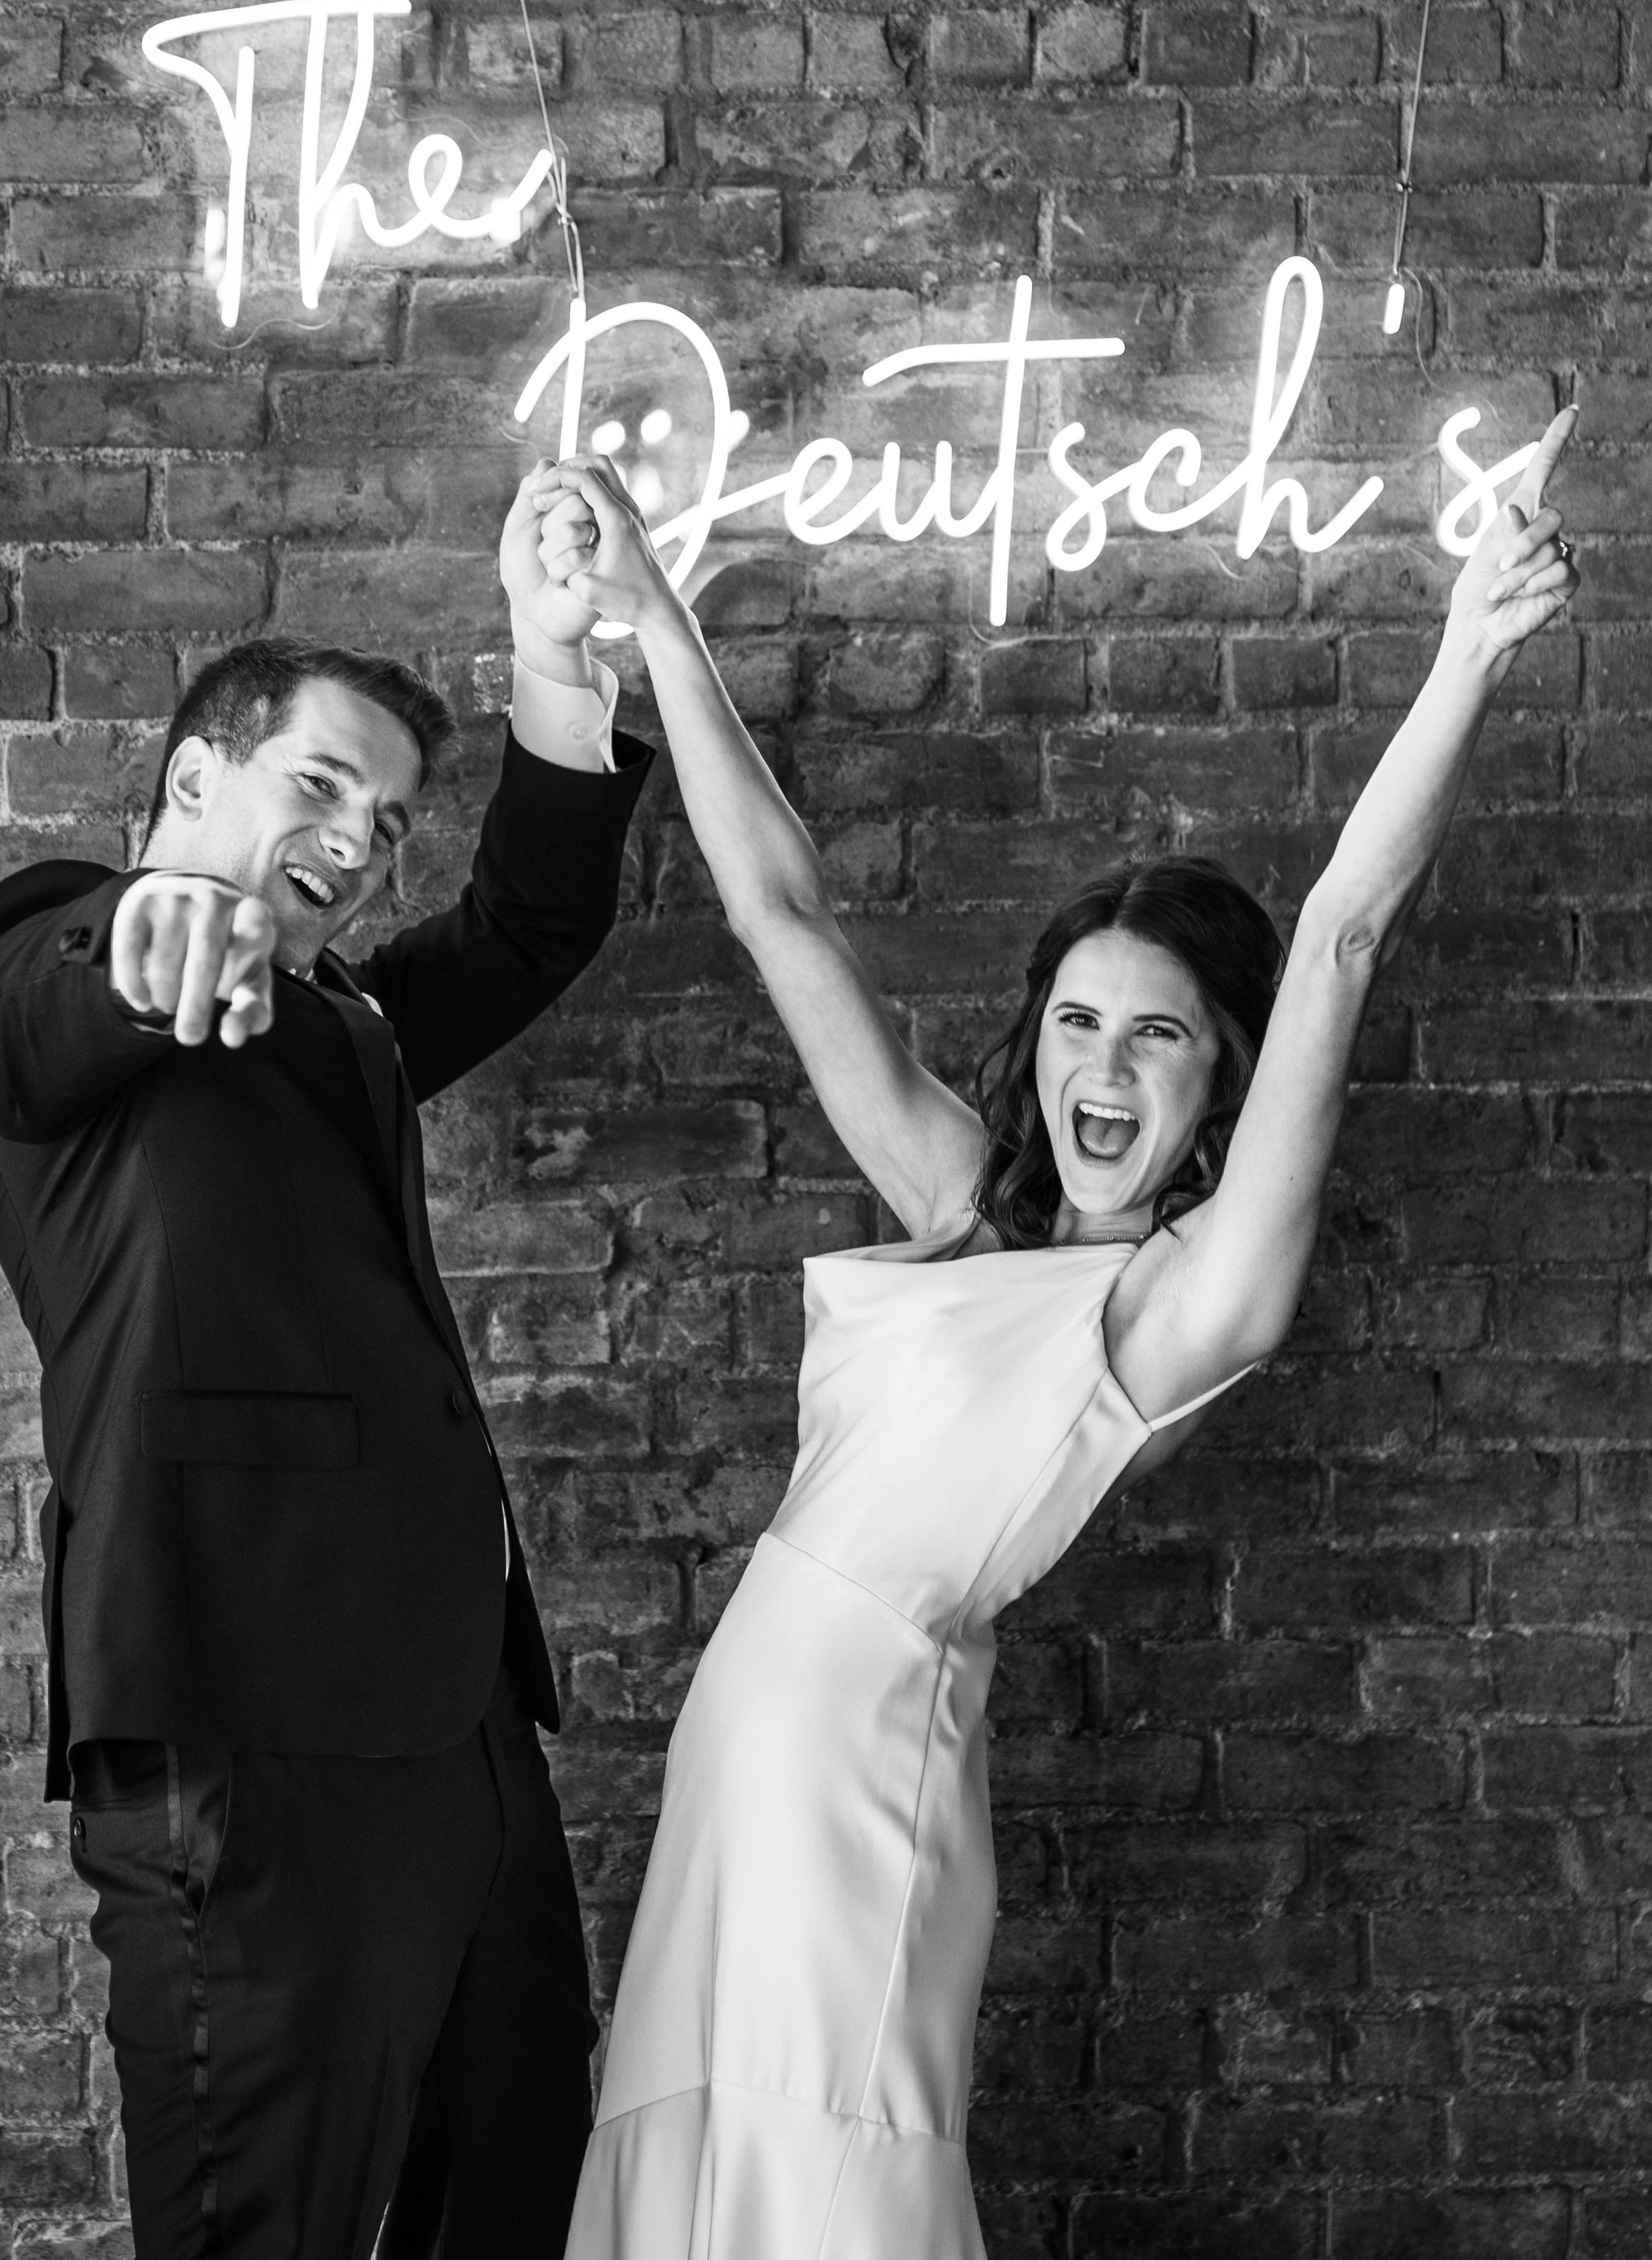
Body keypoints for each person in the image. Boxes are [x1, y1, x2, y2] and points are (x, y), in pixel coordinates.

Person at [522, 416, 1582, 2259]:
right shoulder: (962, 1202)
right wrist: (654, 608)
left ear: (1218, 1079)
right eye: (1077, 1022)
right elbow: (781, 912)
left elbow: (1334, 933)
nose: (1099, 1068)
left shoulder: (1187, 1301)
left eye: (1154, 1035)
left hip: (864, 1767)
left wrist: (1470, 646)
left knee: (830, 2168)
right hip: (740, 1765)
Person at [0, 461, 652, 2260]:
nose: (363, 831)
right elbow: (59, 996)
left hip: (462, 1732)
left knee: (510, 2198)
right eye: (319, 783)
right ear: (194, 781)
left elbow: (528, 927)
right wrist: (149, 932)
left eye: (391, 815)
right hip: (243, 1736)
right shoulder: (57, 957)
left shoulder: (346, 1026)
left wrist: (551, 657)